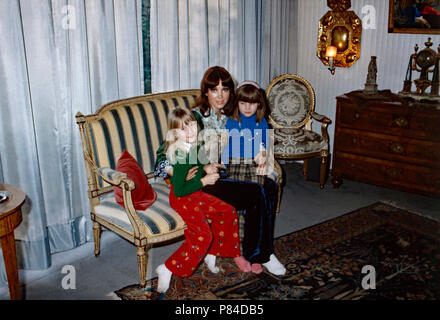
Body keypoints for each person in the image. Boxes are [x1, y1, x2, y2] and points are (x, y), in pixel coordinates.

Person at [154, 66, 286, 276]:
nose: (220, 95)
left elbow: (254, 135)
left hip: (227, 171)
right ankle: (259, 253)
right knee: (255, 192)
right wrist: (177, 172)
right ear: (205, 92)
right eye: (214, 90)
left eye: (225, 90)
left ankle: (261, 252)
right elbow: (162, 156)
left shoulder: (234, 112)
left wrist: (263, 156)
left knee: (269, 185)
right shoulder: (195, 118)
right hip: (203, 181)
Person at [155, 107, 242, 293]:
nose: (190, 131)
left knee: (227, 211)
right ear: (174, 134)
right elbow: (178, 190)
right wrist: (204, 180)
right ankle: (168, 267)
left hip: (196, 194)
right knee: (203, 235)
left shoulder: (194, 144)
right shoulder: (178, 155)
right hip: (182, 199)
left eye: (192, 125)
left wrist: (208, 167)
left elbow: (200, 163)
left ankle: (212, 253)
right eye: (183, 129)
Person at [221, 80, 280, 274]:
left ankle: (256, 254)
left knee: (258, 201)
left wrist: (263, 159)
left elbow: (264, 147)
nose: (248, 107)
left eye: (252, 103)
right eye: (243, 102)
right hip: (235, 164)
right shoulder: (231, 121)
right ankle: (237, 251)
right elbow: (225, 147)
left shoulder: (261, 122)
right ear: (237, 102)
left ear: (259, 104)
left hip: (254, 164)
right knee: (239, 206)